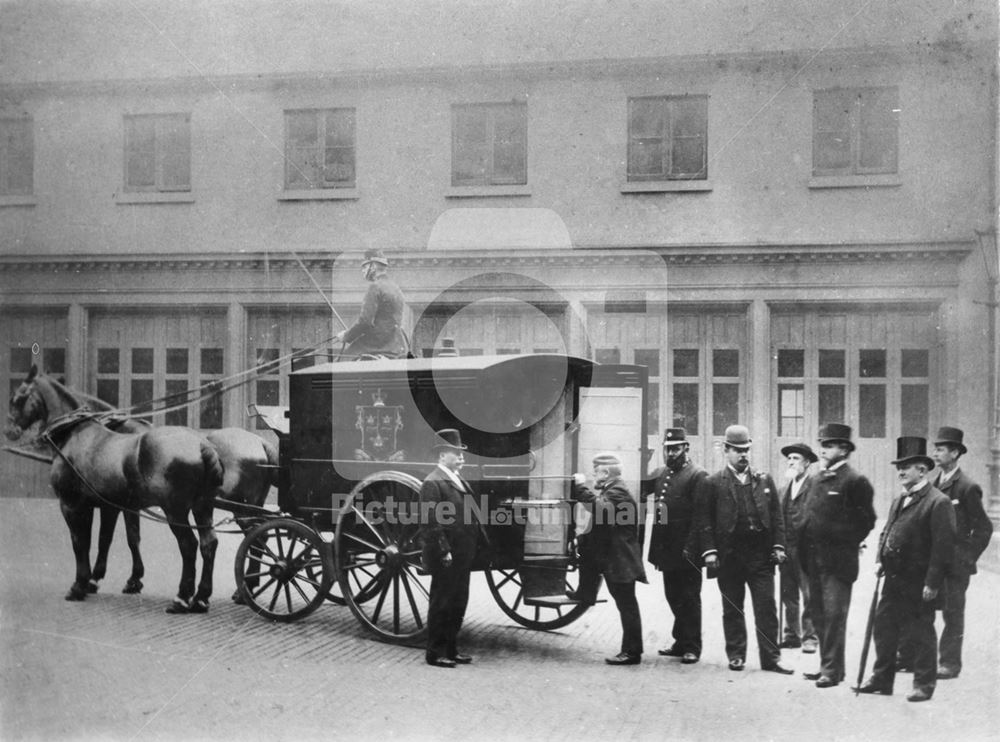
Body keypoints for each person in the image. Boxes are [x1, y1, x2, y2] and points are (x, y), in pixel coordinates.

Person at [855, 437, 956, 702]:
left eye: (907, 466)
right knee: (884, 627)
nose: (900, 471)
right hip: (894, 579)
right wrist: (879, 559)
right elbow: (887, 531)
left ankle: (924, 684)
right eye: (899, 466)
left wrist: (932, 583)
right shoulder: (900, 498)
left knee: (921, 632)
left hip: (920, 581)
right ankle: (881, 678)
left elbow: (942, 549)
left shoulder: (938, 501)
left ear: (922, 470)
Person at [896, 426, 993, 679]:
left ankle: (949, 663)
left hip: (955, 565)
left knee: (952, 613)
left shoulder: (967, 487)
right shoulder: (932, 484)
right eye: (935, 449)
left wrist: (966, 557)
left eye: (940, 449)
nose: (935, 453)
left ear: (955, 453)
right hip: (931, 562)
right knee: (920, 608)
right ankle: (910, 658)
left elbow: (983, 528)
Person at [695, 425, 793, 674]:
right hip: (729, 558)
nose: (743, 455)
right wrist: (710, 551)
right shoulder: (713, 483)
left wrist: (779, 545)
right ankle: (736, 655)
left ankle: (771, 658)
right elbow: (704, 520)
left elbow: (777, 516)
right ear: (725, 451)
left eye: (746, 450)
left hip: (760, 557)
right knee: (733, 608)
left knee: (766, 608)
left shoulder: (763, 479)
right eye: (737, 450)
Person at [801, 423, 876, 688]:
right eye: (822, 444)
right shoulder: (816, 478)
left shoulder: (855, 481)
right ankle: (828, 666)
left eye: (829, 445)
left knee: (834, 616)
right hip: (813, 559)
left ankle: (831, 670)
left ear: (844, 449)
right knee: (819, 614)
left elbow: (866, 521)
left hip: (837, 561)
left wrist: (838, 538)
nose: (823, 449)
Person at [571, 452, 648, 665]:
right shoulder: (613, 489)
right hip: (617, 559)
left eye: (596, 472)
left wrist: (580, 487)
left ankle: (632, 652)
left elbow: (600, 509)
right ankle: (584, 593)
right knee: (625, 604)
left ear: (605, 473)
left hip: (621, 561)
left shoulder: (618, 492)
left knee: (627, 605)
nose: (593, 475)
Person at [641, 427, 707, 664]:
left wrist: (693, 547)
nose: (671, 454)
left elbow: (701, 517)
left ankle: (692, 646)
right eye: (668, 449)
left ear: (686, 449)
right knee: (673, 596)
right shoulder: (661, 473)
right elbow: (639, 488)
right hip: (666, 549)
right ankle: (680, 642)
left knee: (689, 597)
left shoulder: (697, 475)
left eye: (676, 449)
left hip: (687, 549)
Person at [420, 428, 480, 668]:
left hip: (462, 554)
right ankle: (435, 652)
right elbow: (430, 521)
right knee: (442, 602)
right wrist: (444, 550)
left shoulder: (456, 479)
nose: (462, 457)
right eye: (457, 453)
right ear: (443, 455)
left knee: (458, 602)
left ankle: (452, 649)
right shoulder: (432, 482)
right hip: (447, 554)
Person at [778, 442, 819, 654]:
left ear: (807, 463)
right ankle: (791, 635)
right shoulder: (783, 488)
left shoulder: (815, 486)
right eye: (789, 458)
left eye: (796, 458)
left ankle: (810, 637)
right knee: (788, 595)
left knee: (810, 594)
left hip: (807, 551)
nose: (791, 462)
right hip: (786, 549)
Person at [333, 248, 407, 358]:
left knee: (343, 360)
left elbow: (365, 322)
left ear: (373, 267)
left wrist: (346, 336)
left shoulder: (375, 287)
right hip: (395, 345)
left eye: (364, 266)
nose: (362, 270)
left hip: (377, 343)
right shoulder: (396, 288)